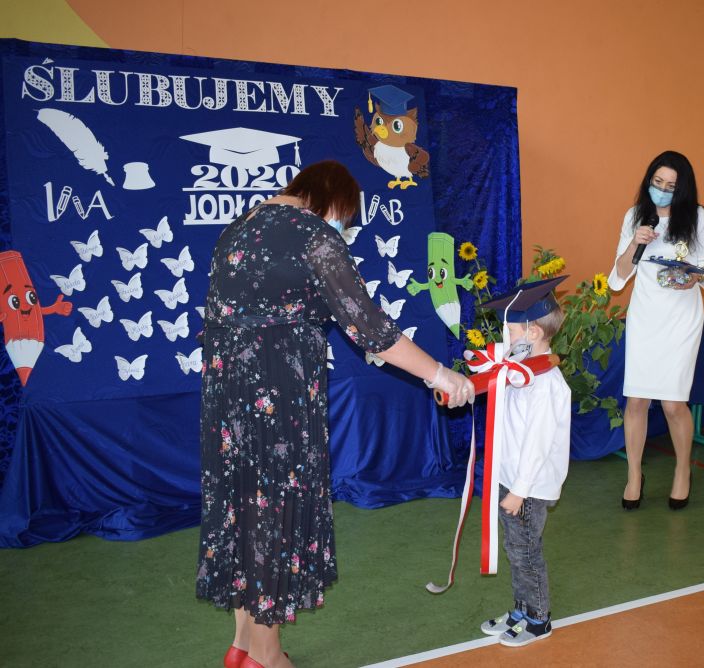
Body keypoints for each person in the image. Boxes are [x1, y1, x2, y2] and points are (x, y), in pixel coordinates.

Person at [195, 160, 474, 668]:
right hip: (278, 394)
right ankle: (266, 656)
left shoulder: (237, 229)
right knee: (274, 515)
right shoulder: (313, 235)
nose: (343, 228)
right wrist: (441, 375)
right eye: (345, 217)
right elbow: (370, 327)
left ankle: (241, 645)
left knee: (242, 510)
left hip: (226, 396)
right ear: (331, 200)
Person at [607, 150, 704, 511]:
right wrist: (635, 242)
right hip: (645, 316)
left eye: (671, 185)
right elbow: (619, 275)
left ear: (682, 188)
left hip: (682, 318)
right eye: (658, 182)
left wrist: (694, 278)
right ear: (649, 181)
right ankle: (634, 475)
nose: (663, 190)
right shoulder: (634, 216)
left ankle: (682, 470)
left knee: (672, 403)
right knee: (637, 400)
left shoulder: (698, 217)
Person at [477, 277, 572, 647]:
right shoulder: (522, 374)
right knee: (515, 550)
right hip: (512, 479)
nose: (506, 338)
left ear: (533, 332)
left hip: (528, 487)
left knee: (526, 553)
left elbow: (537, 444)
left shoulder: (547, 385)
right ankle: (521, 609)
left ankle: (538, 618)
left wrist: (518, 491)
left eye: (511, 331)